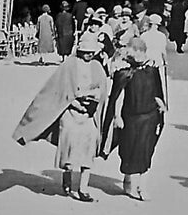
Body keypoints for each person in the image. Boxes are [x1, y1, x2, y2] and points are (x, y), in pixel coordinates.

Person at [12, 30, 110, 202]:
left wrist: (94, 98)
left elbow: (103, 92)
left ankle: (83, 188)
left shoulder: (97, 66)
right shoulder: (69, 65)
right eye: (85, 52)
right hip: (71, 112)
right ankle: (68, 182)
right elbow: (55, 91)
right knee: (70, 148)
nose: (88, 55)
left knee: (88, 149)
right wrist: (73, 102)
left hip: (89, 114)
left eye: (91, 53)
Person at [104, 38, 167, 201]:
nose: (127, 52)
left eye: (130, 50)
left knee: (145, 150)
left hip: (149, 117)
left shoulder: (152, 70)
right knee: (128, 150)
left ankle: (141, 186)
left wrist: (162, 106)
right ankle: (128, 179)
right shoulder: (124, 71)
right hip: (130, 118)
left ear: (138, 50)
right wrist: (117, 116)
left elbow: (158, 92)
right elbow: (117, 96)